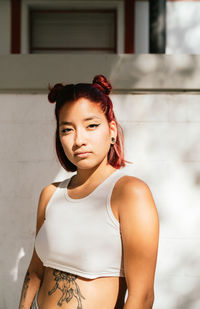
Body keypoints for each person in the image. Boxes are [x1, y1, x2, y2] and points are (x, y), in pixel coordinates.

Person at [18, 74, 159, 309]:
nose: (79, 140)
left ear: (111, 130)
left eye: (91, 125)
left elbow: (142, 296)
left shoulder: (130, 193)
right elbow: (35, 271)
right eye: (67, 130)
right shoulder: (50, 195)